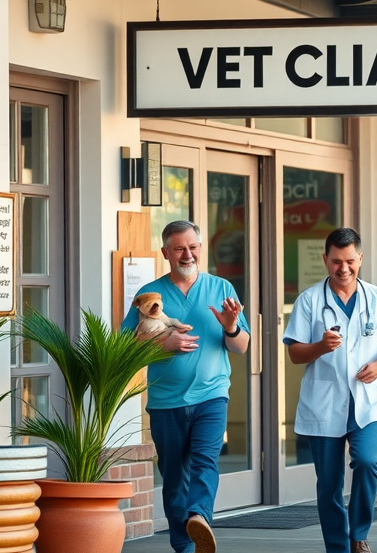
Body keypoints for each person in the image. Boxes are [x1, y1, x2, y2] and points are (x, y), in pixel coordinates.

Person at [122, 220, 251, 553]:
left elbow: (242, 347)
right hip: (166, 402)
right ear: (166, 252)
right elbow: (124, 348)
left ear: (200, 248)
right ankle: (185, 546)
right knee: (175, 478)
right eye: (179, 248)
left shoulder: (222, 288)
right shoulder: (148, 296)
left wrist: (232, 327)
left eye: (193, 246)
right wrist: (165, 345)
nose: (187, 254)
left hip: (212, 395)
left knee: (206, 461)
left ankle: (199, 517)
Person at [283, 228, 377, 553]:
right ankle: (338, 547)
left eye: (350, 261)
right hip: (324, 402)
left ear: (360, 259)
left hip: (368, 400)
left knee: (367, 462)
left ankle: (359, 535)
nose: (343, 268)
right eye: (336, 261)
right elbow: (294, 353)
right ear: (325, 259)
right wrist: (320, 347)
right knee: (329, 485)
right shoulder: (310, 300)